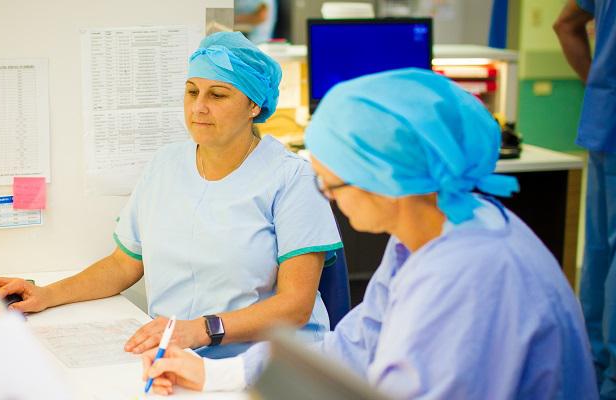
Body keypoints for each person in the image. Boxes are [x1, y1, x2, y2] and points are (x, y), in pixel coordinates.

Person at [141, 68, 599, 398]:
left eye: (332, 183)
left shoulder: (470, 275)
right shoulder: (429, 233)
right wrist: (216, 375)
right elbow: (357, 342)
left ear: (388, 182)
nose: (327, 197)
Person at [0, 32, 342, 359]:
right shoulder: (165, 164)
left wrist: (200, 331)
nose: (198, 107)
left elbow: (295, 305)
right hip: (175, 355)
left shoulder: (292, 178)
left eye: (217, 95)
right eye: (192, 92)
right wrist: (46, 294)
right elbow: (123, 264)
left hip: (267, 365)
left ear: (254, 106)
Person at [555, 1, 616, 396]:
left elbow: (565, 25)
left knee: (598, 253)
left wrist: (603, 88)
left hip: (604, 121)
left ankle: (592, 374)